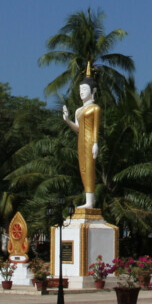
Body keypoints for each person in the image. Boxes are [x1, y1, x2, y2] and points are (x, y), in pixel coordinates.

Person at [61, 71, 101, 207]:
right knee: (82, 168)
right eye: (80, 90)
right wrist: (67, 120)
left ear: (93, 90)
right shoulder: (78, 111)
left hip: (90, 140)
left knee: (89, 168)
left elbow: (95, 127)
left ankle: (90, 201)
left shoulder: (95, 108)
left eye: (84, 89)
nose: (81, 92)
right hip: (81, 141)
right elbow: (78, 128)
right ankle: (88, 199)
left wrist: (95, 144)